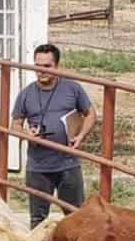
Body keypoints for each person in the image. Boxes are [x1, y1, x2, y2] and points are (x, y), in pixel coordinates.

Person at [11, 43, 97, 228]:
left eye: (47, 66)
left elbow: (90, 114)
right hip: (38, 166)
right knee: (37, 220)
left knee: (76, 217)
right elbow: (15, 124)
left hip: (68, 164)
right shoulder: (26, 94)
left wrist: (81, 135)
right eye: (37, 66)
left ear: (56, 66)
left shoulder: (72, 89)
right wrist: (27, 134)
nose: (41, 71)